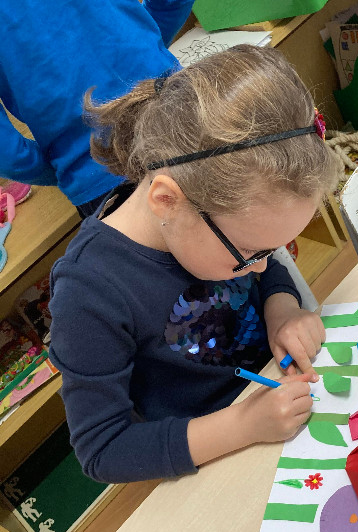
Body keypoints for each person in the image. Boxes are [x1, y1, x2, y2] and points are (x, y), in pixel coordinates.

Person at [48, 45, 341, 484]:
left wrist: (281, 309)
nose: (262, 268)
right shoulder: (89, 295)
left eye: (272, 250)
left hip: (279, 403)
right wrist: (244, 424)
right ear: (167, 200)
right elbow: (103, 450)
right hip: (218, 462)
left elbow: (266, 269)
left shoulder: (216, 225)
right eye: (251, 254)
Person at [0, 0, 193, 218]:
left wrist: (71, 167)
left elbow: (9, 156)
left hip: (98, 171)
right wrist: (146, 53)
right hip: (182, 114)